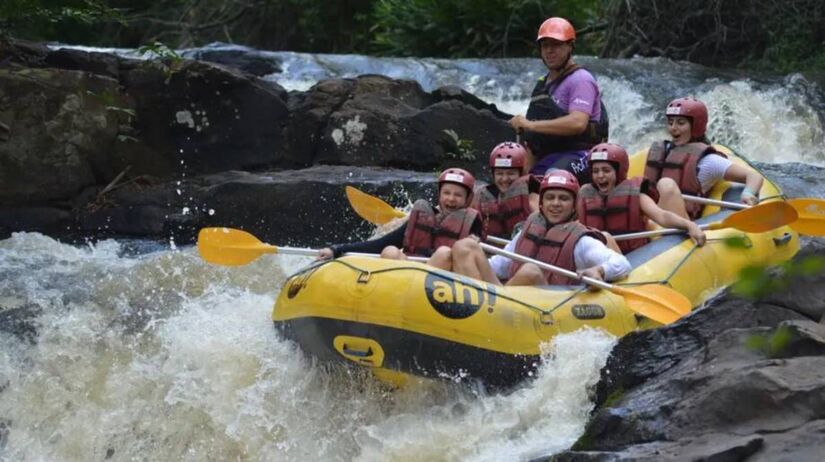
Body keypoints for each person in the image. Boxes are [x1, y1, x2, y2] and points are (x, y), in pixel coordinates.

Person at [450, 169, 631, 286]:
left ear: (574, 205)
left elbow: (622, 263)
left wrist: (598, 270)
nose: (556, 203)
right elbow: (500, 266)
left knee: (530, 271)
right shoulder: (527, 231)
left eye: (563, 198)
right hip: (505, 299)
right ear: (542, 203)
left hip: (547, 309)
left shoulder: (581, 241)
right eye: (550, 198)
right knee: (464, 247)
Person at [317, 168, 483, 270]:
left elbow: (476, 257)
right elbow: (379, 244)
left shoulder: (472, 222)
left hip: (444, 285)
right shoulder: (421, 216)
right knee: (390, 251)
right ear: (439, 195)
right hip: (408, 277)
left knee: (443, 253)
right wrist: (336, 249)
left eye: (457, 195)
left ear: (467, 199)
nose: (451, 199)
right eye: (446, 193)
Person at [509, 16, 609, 185]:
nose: (549, 51)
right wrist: (523, 171)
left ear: (570, 47)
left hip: (581, 153)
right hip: (551, 154)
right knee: (516, 181)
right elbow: (534, 140)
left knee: (553, 179)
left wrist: (530, 125)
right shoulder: (543, 83)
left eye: (556, 45)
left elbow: (577, 123)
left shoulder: (581, 80)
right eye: (545, 45)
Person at [645, 97, 763, 219]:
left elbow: (754, 176)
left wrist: (748, 193)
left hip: (679, 225)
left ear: (696, 126)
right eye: (670, 122)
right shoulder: (662, 151)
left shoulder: (709, 161)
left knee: (666, 185)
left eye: (681, 123)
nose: (673, 128)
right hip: (651, 218)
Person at [578, 143, 706, 254]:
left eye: (606, 170)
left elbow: (662, 216)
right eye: (595, 171)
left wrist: (689, 225)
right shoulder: (585, 195)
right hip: (601, 259)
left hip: (637, 257)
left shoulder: (637, 196)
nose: (600, 176)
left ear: (619, 172)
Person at [470, 141, 539, 239]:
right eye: (499, 174)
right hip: (490, 249)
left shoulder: (533, 197)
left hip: (517, 251)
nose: (504, 179)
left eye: (511, 174)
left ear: (522, 173)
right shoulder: (482, 196)